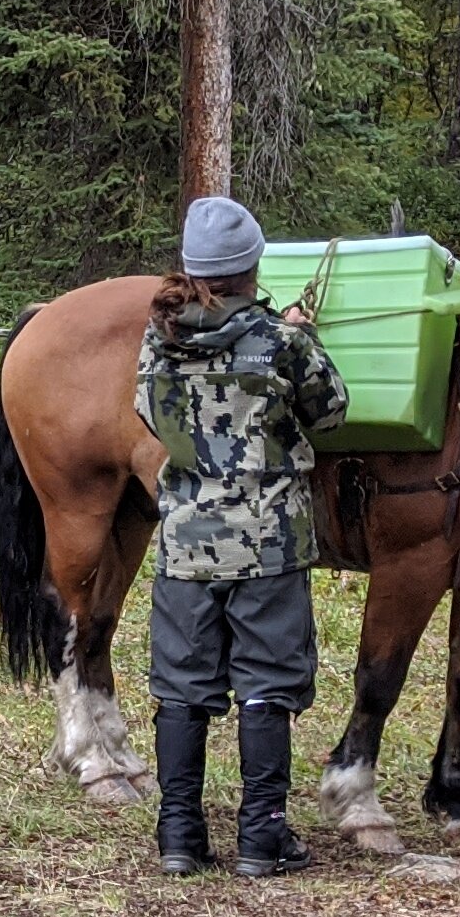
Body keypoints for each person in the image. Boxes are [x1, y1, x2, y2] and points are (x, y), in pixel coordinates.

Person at [136, 195, 350, 877]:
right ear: (252, 267)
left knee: (182, 688)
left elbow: (149, 415)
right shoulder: (280, 344)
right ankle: (262, 838)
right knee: (266, 686)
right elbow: (331, 410)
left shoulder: (158, 338)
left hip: (184, 540)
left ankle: (179, 836)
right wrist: (301, 334)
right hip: (267, 545)